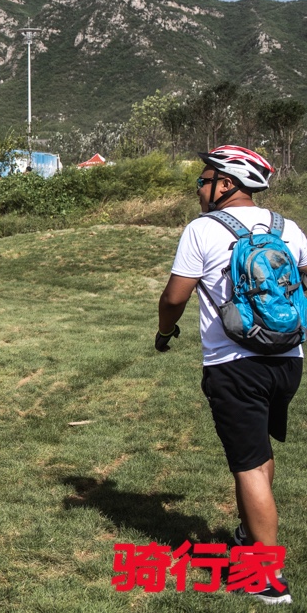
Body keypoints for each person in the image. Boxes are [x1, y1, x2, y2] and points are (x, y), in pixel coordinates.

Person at [156, 145, 303, 605]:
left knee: (247, 464)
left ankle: (266, 577)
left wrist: (165, 332)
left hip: (234, 364)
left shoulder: (202, 229)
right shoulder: (288, 228)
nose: (199, 189)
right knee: (259, 451)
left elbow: (175, 297)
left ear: (226, 184)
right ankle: (247, 533)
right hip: (288, 359)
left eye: (203, 181)